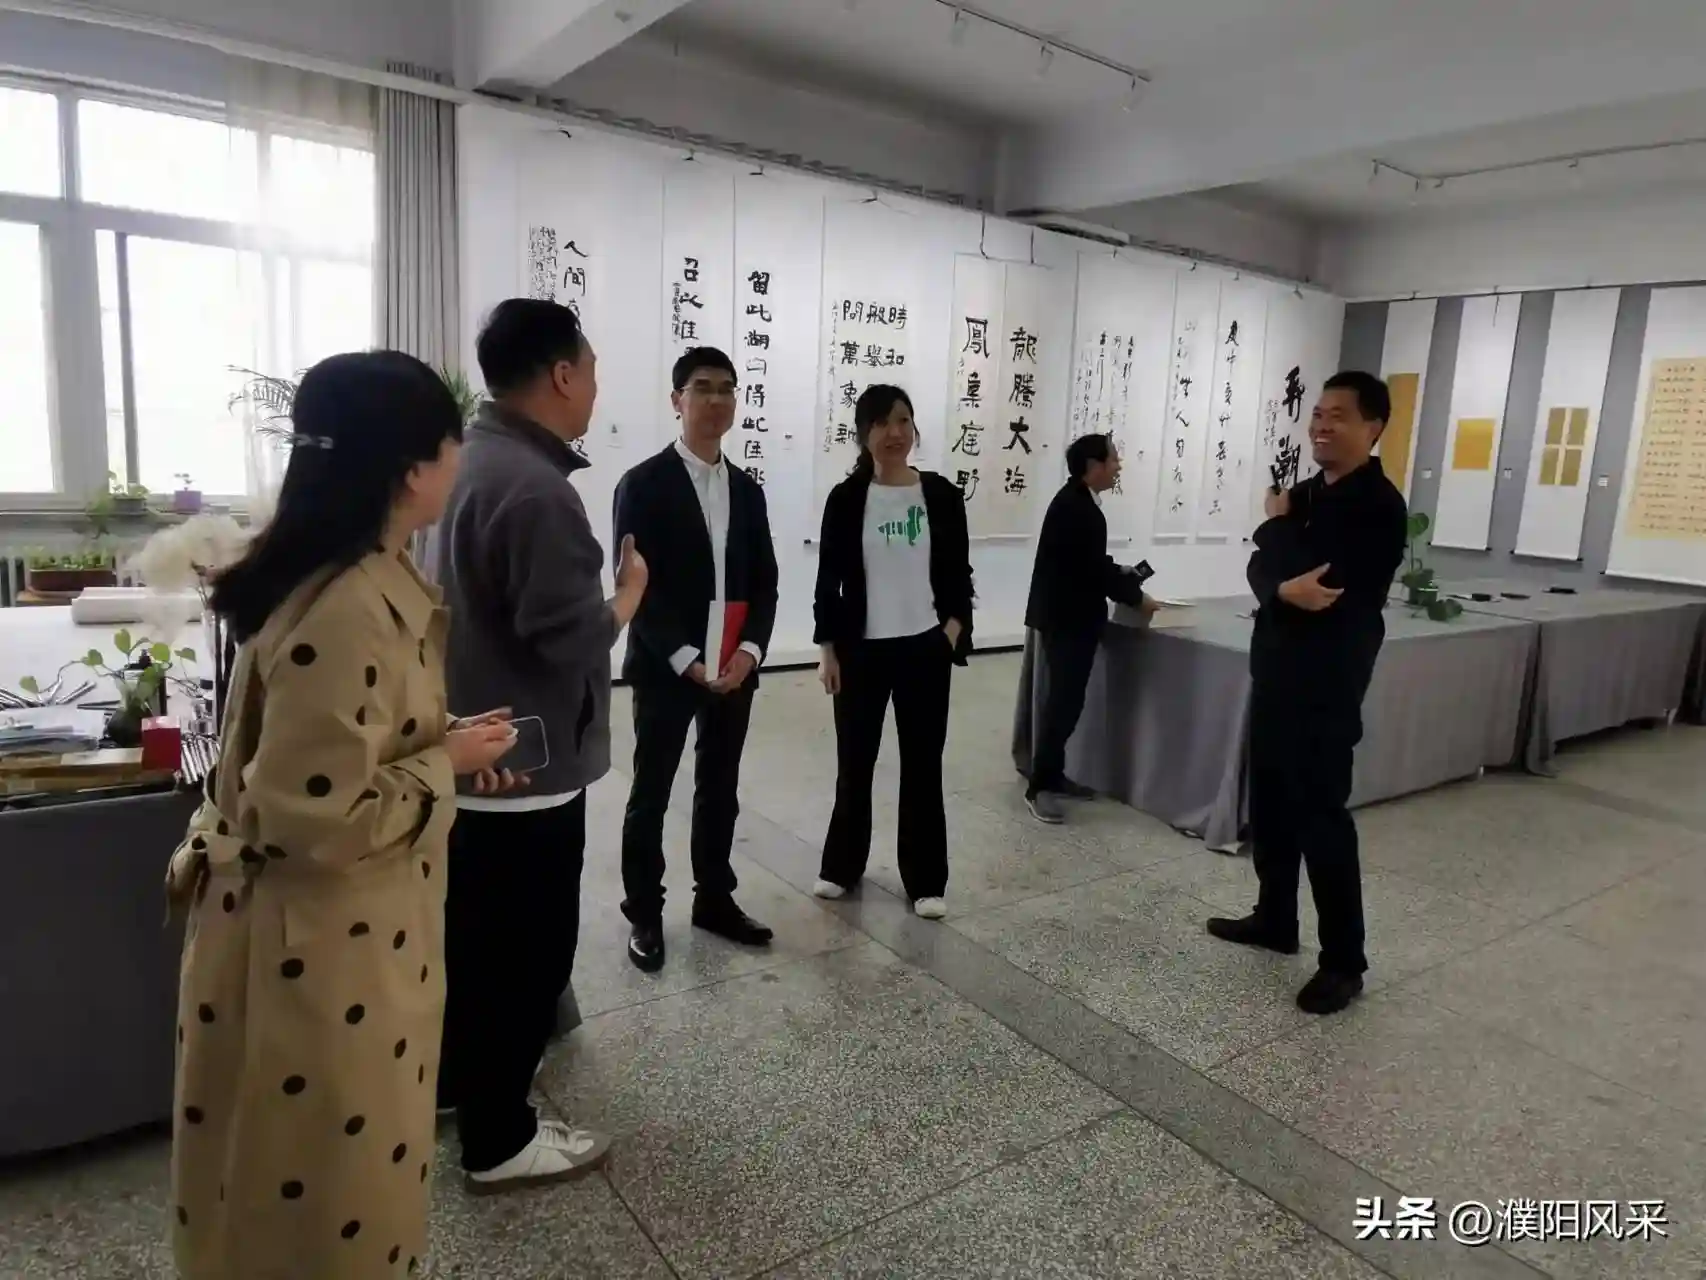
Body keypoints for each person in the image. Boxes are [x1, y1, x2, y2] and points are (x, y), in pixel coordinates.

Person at [164, 351, 521, 1279]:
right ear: (410, 468)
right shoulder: (351, 603)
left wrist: (439, 741)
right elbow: (313, 821)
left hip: (337, 936)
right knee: (325, 1200)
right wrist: (443, 764)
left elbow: (338, 744)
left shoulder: (340, 572)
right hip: (321, 955)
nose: (460, 463)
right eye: (451, 444)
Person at [435, 298, 649, 1190]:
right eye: (591, 370)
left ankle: (460, 1087)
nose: (595, 387)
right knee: (527, 956)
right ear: (562, 375)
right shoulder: (536, 489)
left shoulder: (464, 462)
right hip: (526, 766)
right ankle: (500, 1139)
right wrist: (627, 596)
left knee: (475, 945)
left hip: (470, 748)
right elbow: (567, 637)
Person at [1207, 370, 1408, 1016]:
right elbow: (1265, 565)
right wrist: (1279, 581)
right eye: (1317, 414)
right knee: (1270, 802)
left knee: (1321, 814)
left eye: (1337, 416)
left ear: (1373, 428)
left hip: (1326, 681)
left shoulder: (1379, 506)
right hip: (1275, 670)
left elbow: (1322, 580)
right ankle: (1275, 917)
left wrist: (1277, 534)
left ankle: (1344, 961)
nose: (1320, 426)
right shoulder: (1306, 494)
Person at [613, 346, 780, 972]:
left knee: (720, 786)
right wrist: (686, 657)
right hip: (667, 666)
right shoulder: (643, 484)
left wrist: (750, 652)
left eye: (727, 389)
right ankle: (644, 912)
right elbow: (636, 585)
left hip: (733, 667)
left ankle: (714, 897)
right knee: (651, 791)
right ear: (677, 400)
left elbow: (764, 580)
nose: (716, 400)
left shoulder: (748, 490)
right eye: (703, 388)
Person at [811, 385, 973, 920]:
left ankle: (926, 880)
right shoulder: (847, 498)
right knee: (854, 763)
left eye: (903, 420)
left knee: (923, 765)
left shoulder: (941, 495)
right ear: (864, 433)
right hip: (861, 651)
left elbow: (958, 572)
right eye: (881, 422)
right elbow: (828, 580)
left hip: (924, 648)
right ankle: (842, 866)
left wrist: (951, 630)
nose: (894, 432)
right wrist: (828, 648)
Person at [1020, 433, 1157, 825]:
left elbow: (1089, 561)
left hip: (1069, 618)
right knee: (1062, 704)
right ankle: (1039, 788)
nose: (1118, 466)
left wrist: (1120, 572)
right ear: (1094, 466)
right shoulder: (1077, 508)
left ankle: (1054, 776)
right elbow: (1090, 571)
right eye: (1114, 460)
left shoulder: (1078, 503)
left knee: (1068, 702)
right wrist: (1136, 596)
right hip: (1066, 621)